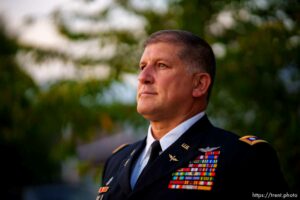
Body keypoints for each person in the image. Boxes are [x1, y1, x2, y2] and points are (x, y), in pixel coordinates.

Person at [96, 30, 288, 200]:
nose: (143, 77)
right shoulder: (117, 160)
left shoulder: (243, 157)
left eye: (161, 65)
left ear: (199, 84)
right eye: (142, 66)